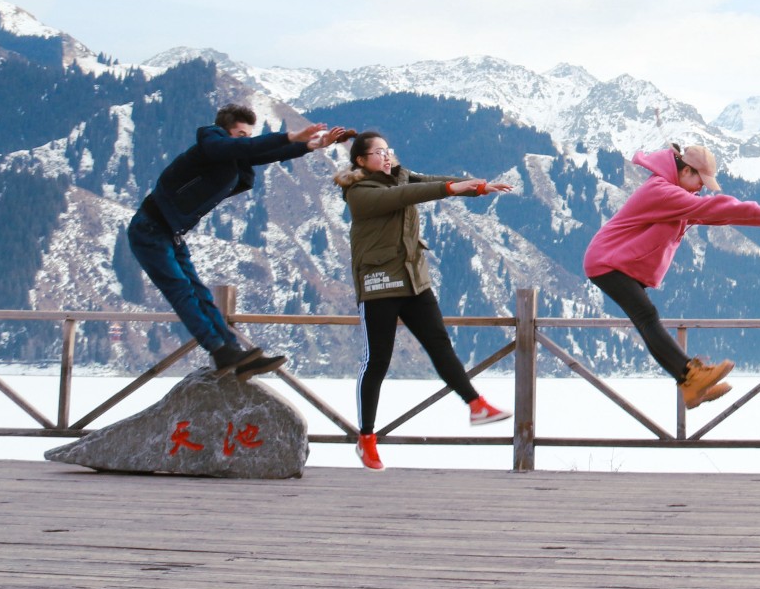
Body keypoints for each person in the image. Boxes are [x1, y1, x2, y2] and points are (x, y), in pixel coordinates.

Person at [334, 130, 517, 471]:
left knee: (439, 344)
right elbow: (410, 194)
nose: (386, 156)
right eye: (378, 152)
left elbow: (430, 180)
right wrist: (451, 188)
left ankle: (476, 404)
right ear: (361, 161)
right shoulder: (359, 193)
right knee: (377, 361)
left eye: (388, 150)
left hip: (413, 280)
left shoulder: (399, 176)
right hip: (378, 284)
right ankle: (367, 438)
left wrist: (476, 186)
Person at [128, 103, 353, 378]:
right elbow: (239, 149)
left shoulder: (230, 156)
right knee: (182, 291)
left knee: (200, 293)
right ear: (223, 131)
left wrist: (310, 146)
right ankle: (220, 350)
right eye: (240, 135)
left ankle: (232, 353)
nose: (245, 141)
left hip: (170, 234)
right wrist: (292, 136)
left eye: (249, 135)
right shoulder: (209, 144)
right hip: (149, 229)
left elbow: (263, 154)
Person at [583, 143, 760, 410]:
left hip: (620, 264)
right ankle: (690, 377)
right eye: (699, 180)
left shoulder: (672, 194)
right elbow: (710, 207)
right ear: (686, 170)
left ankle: (689, 384)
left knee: (646, 319)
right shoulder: (661, 191)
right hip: (607, 261)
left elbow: (716, 217)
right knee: (647, 317)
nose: (701, 187)